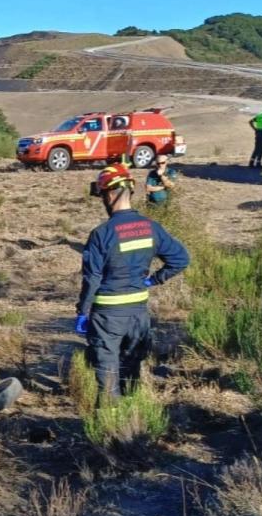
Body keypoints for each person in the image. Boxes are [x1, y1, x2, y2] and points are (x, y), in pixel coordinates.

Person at [75, 163, 190, 399]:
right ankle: (131, 413)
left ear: (109, 194)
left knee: (107, 370)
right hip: (138, 313)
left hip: (108, 314)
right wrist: (153, 280)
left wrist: (83, 311)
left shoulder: (101, 234)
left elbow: (92, 277)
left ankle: (111, 422)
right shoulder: (151, 227)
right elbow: (180, 259)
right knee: (131, 368)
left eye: (102, 196)